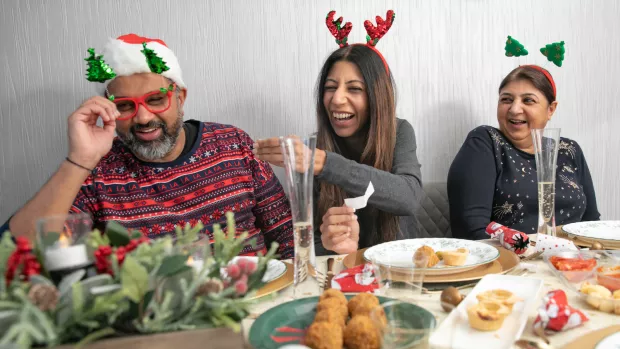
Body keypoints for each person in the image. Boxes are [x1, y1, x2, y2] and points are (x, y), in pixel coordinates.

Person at [0, 34, 294, 259]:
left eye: (155, 100)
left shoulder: (234, 146)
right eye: (125, 106)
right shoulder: (97, 174)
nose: (143, 118)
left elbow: (287, 238)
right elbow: (19, 252)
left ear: (180, 97)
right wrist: (79, 160)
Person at [254, 11, 423, 255]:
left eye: (354, 88)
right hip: (342, 278)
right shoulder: (313, 148)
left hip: (400, 269)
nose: (337, 99)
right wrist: (336, 248)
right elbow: (306, 245)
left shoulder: (400, 132)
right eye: (330, 88)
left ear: (378, 97)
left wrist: (323, 163)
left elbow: (408, 196)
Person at [448, 65, 600, 240]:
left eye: (528, 100)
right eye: (506, 99)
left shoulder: (569, 150)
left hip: (574, 260)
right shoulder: (486, 142)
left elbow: (591, 224)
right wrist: (534, 247)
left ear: (551, 109)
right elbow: (471, 230)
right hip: (512, 262)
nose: (514, 109)